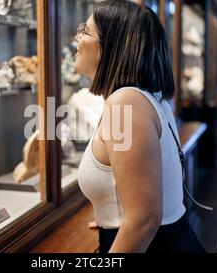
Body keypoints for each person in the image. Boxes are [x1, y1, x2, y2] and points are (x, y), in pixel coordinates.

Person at [75, 0, 205, 253]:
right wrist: (111, 216)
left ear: (110, 47)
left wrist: (123, 229)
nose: (77, 37)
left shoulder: (126, 102)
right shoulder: (148, 97)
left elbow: (145, 220)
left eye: (85, 31)